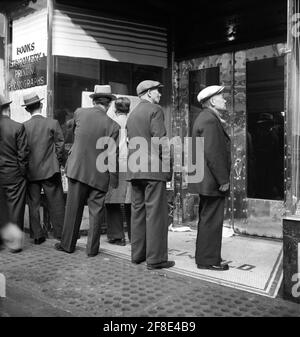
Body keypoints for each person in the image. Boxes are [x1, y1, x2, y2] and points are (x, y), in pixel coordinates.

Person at [55, 85, 120, 257]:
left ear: (93, 100)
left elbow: (69, 130)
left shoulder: (79, 113)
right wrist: (113, 180)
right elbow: (112, 154)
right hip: (99, 175)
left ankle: (67, 245)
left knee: (73, 209)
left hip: (77, 170)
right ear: (110, 104)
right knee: (97, 213)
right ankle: (92, 250)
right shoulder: (113, 126)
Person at [126, 80, 174, 270]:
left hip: (135, 170)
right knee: (156, 215)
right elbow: (160, 141)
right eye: (156, 91)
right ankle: (156, 260)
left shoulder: (132, 115)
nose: (159, 95)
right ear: (147, 94)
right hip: (153, 170)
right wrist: (167, 169)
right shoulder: (155, 110)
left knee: (138, 213)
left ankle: (137, 255)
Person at [189, 85, 231, 271]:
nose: (225, 100)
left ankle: (207, 256)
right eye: (222, 97)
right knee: (211, 221)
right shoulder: (210, 120)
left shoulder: (205, 118)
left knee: (207, 219)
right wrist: (223, 180)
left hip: (205, 179)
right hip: (212, 180)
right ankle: (208, 260)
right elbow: (213, 153)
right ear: (212, 101)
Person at [23, 92, 65, 244]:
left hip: (31, 171)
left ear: (27, 110)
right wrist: (57, 161)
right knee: (56, 202)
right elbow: (60, 145)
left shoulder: (24, 127)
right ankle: (60, 233)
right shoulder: (52, 123)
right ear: (41, 105)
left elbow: (23, 150)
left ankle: (37, 235)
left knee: (33, 203)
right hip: (50, 170)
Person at [0, 95, 29, 233]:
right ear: (8, 108)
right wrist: (23, 173)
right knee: (16, 208)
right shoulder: (17, 127)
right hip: (14, 175)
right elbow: (23, 154)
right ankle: (15, 242)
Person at [105, 97, 131, 246]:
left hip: (115, 164)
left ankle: (117, 236)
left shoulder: (111, 123)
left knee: (113, 201)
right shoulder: (132, 122)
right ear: (128, 109)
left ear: (115, 109)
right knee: (131, 201)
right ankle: (134, 236)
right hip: (131, 165)